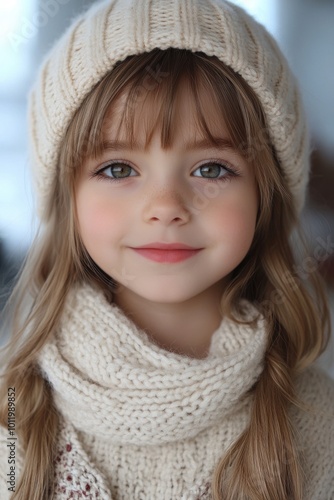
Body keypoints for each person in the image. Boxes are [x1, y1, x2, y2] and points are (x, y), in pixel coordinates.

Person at [0, 0, 334, 498]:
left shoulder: (316, 420)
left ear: (267, 196)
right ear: (67, 200)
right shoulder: (13, 412)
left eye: (211, 169)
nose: (166, 207)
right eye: (118, 169)